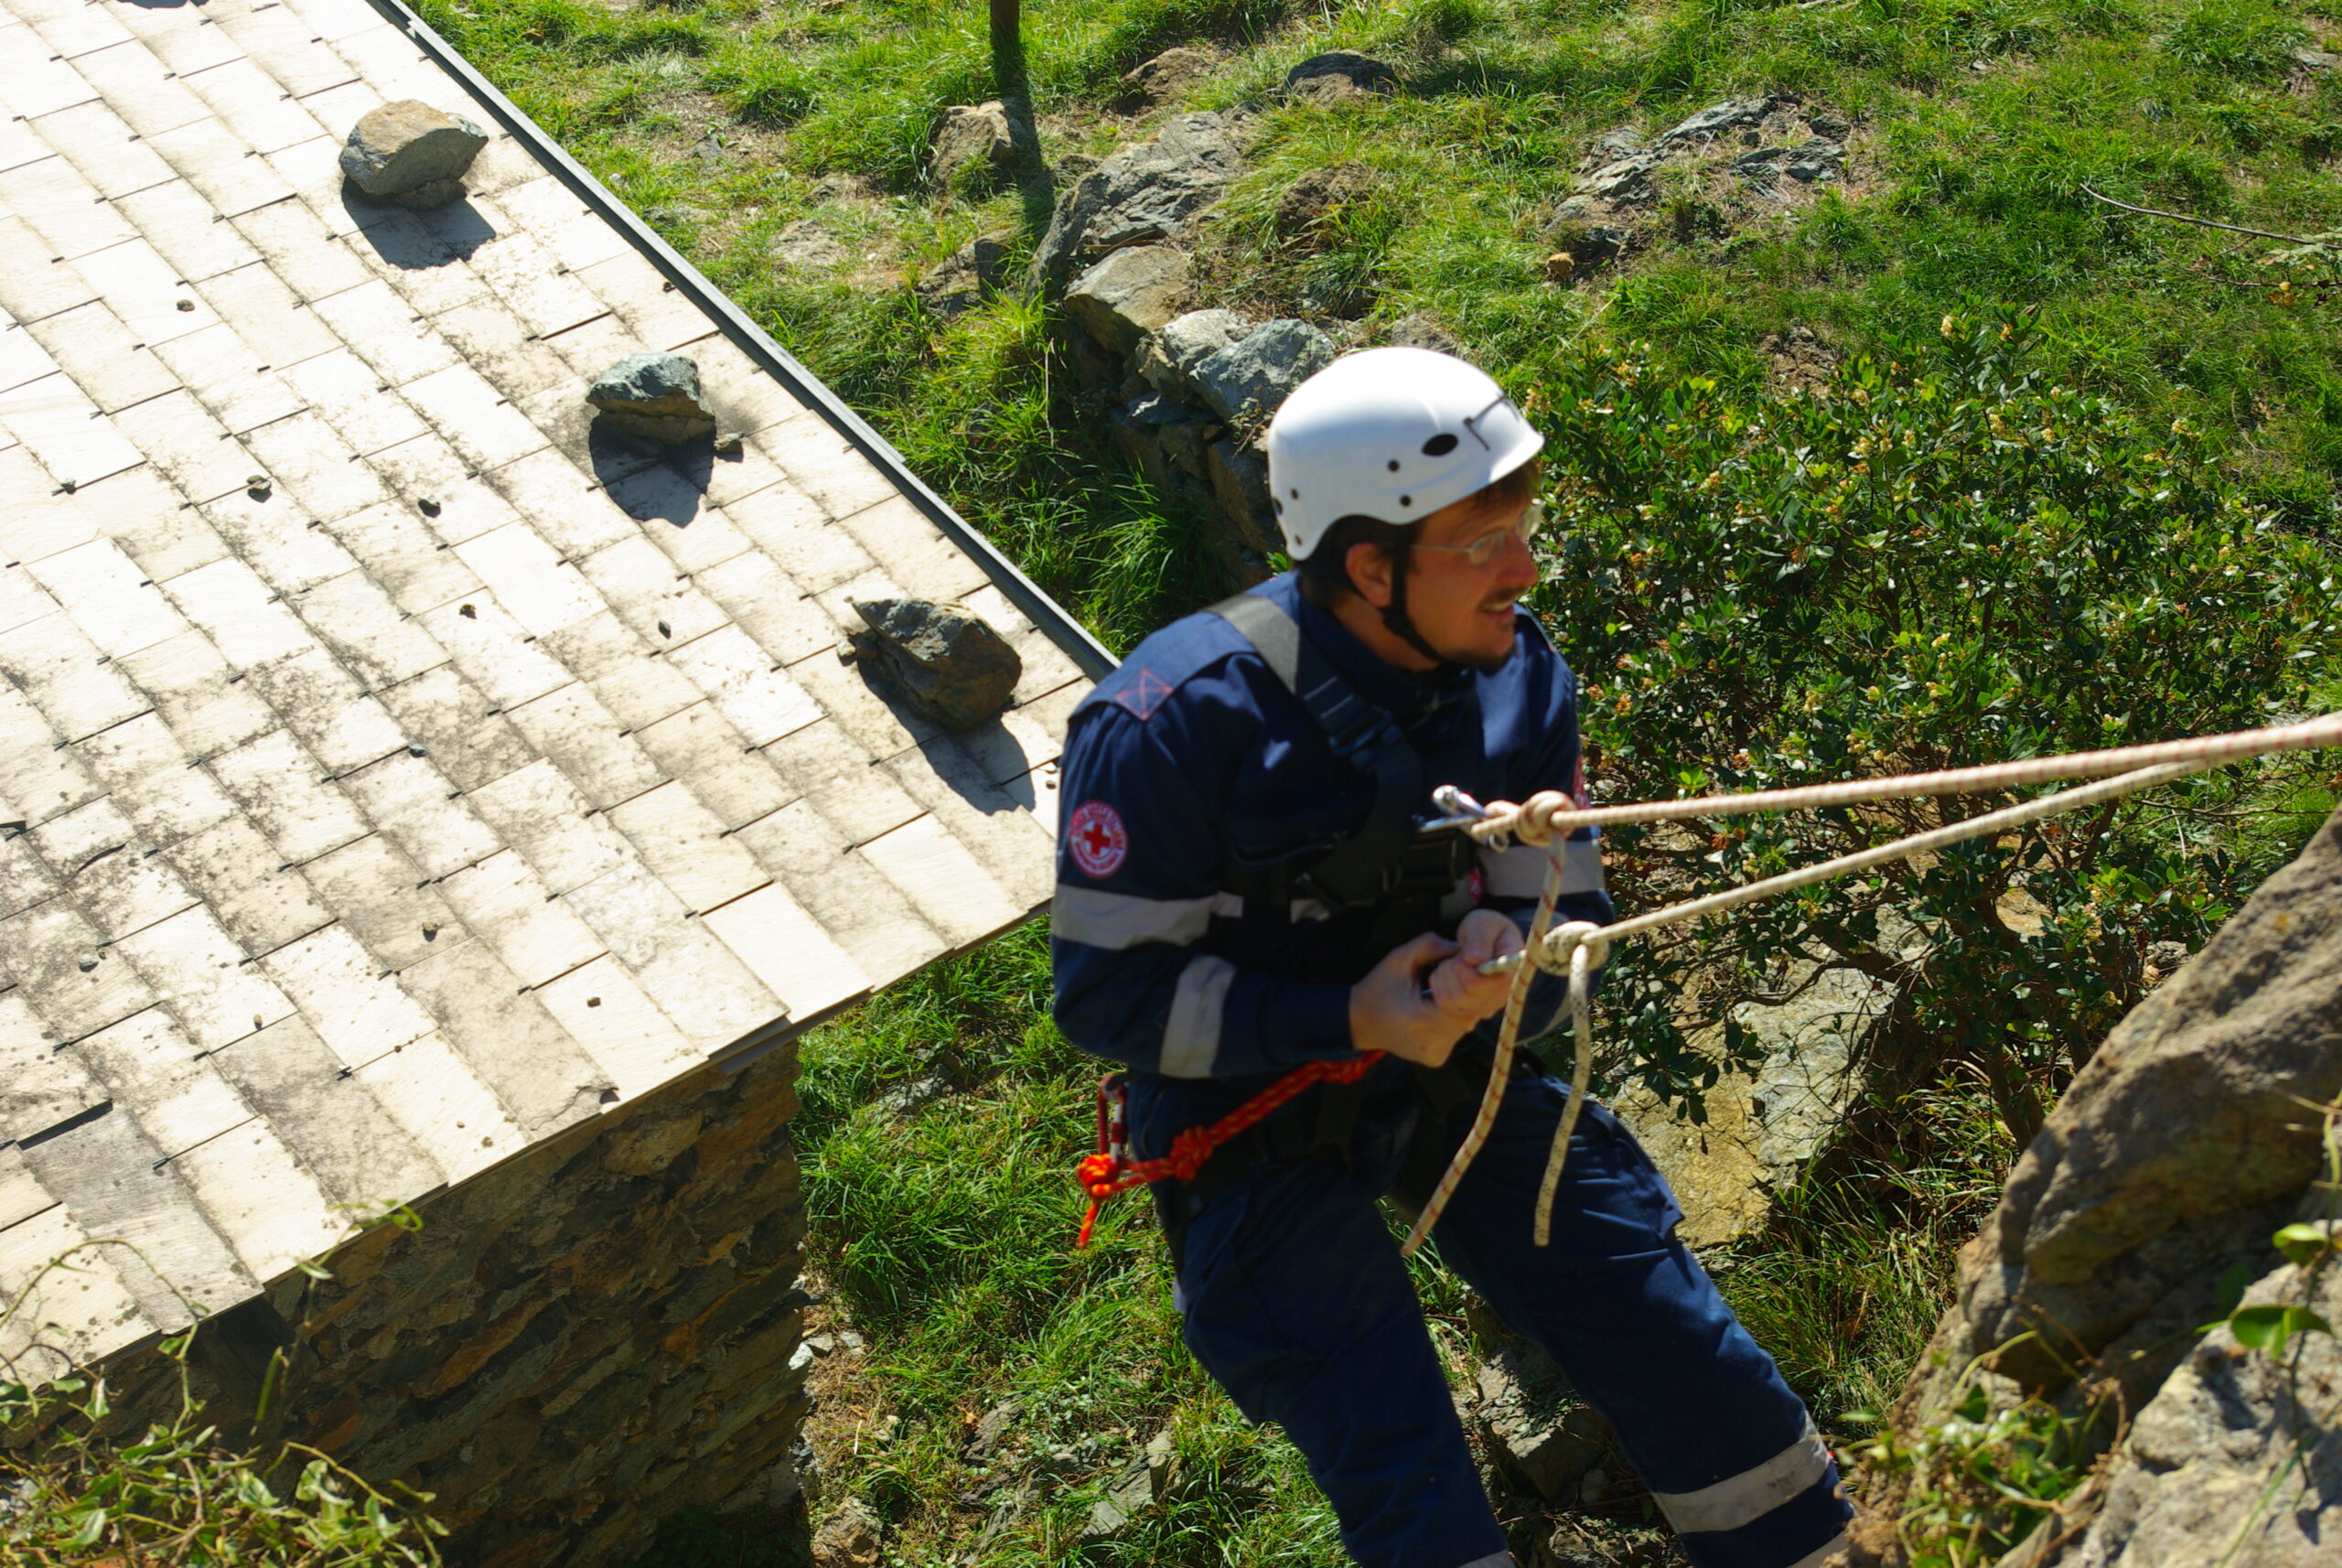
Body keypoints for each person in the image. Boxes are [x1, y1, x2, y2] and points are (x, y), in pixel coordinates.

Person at [1049, 347, 1853, 1568]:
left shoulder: (1515, 676)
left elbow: (1557, 901)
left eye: (1521, 529)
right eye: (1482, 545)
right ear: (1370, 566)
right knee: (1411, 1478)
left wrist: (1511, 953)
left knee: (1678, 1344)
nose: (1523, 571)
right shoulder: (1172, 724)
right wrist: (1352, 1020)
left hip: (1454, 1064)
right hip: (1247, 1110)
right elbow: (1109, 994)